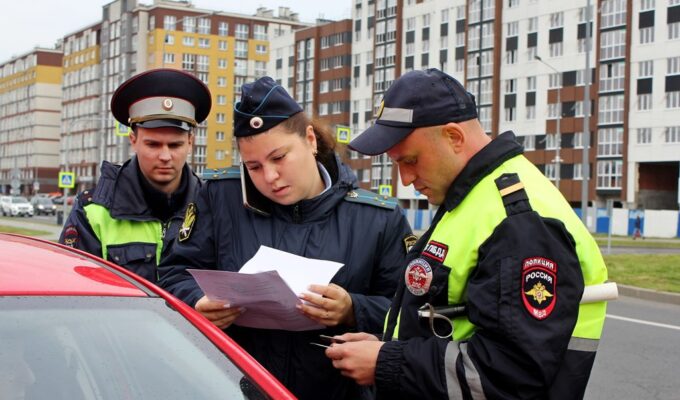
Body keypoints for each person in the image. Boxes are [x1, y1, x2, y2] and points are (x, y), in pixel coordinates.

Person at [325, 68, 609, 399]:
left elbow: (510, 375)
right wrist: (385, 347)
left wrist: (387, 361)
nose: (405, 179)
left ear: (454, 137)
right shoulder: (472, 196)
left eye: (411, 160)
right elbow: (455, 323)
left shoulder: (516, 220)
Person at [158, 76, 414, 400]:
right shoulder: (219, 198)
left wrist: (352, 309)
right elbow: (171, 274)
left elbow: (408, 312)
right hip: (232, 388)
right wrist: (197, 302)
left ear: (310, 139)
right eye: (253, 166)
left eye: (279, 158)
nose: (270, 177)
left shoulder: (377, 218)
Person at [59, 69, 208, 283]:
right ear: (133, 140)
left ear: (191, 143)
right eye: (153, 144)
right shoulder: (94, 211)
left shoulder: (210, 205)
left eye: (175, 145)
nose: (165, 156)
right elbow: (75, 293)